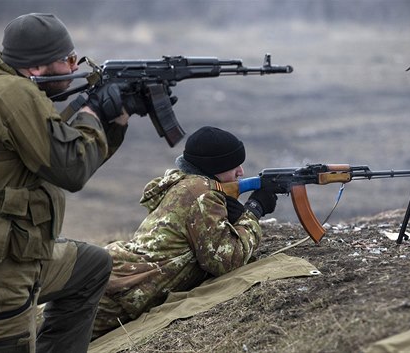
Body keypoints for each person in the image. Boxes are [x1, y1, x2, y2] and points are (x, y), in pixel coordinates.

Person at [0, 13, 139, 353]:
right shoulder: (11, 96)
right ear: (37, 67)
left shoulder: (12, 89)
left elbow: (65, 152)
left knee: (93, 266)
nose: (73, 66)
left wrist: (116, 120)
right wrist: (93, 113)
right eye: (67, 59)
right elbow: (72, 170)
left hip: (13, 255)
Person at [90, 126, 278, 338]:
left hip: (115, 281)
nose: (241, 172)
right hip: (118, 295)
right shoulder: (202, 194)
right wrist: (253, 212)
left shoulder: (185, 185)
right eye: (233, 165)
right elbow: (228, 260)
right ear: (213, 167)